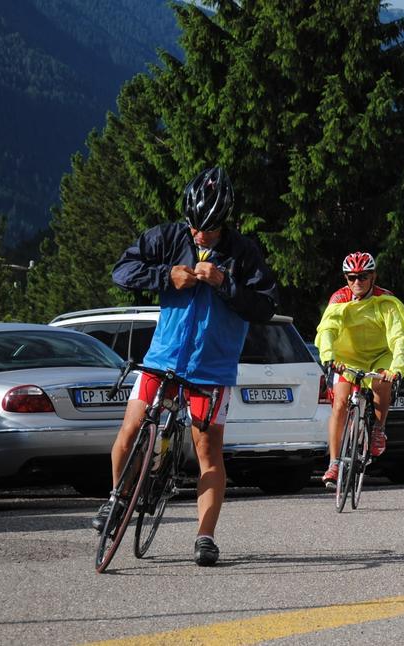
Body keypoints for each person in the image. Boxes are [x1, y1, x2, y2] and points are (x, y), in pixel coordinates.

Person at [93, 166, 279, 566]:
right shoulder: (169, 237)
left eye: (208, 229)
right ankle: (117, 499)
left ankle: (205, 536)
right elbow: (121, 271)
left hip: (211, 370)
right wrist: (165, 275)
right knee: (130, 429)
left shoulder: (244, 252)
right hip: (162, 358)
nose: (199, 235)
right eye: (195, 226)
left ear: (224, 221)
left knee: (208, 452)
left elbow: (265, 306)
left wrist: (225, 283)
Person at [315, 252, 404, 488]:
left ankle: (378, 429)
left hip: (381, 355)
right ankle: (334, 463)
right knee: (340, 403)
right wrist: (328, 356)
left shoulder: (386, 301)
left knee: (381, 383)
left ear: (373, 277)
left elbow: (398, 337)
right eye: (351, 277)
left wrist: (396, 368)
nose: (357, 282)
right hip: (348, 358)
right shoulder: (339, 299)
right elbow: (327, 329)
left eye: (363, 277)